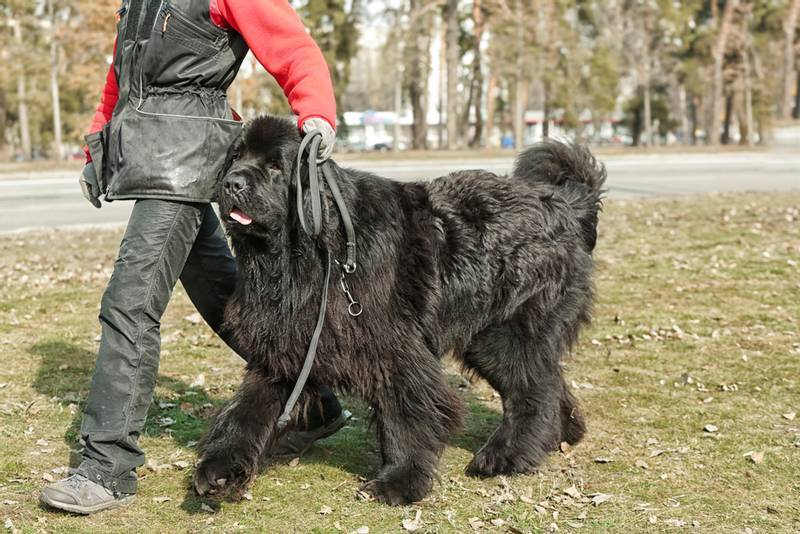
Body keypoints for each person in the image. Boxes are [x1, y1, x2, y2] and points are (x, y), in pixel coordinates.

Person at [40, 0, 349, 515]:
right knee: (222, 293)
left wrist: (315, 111)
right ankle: (313, 401)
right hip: (150, 156)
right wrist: (99, 146)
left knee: (129, 303)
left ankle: (107, 467)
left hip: (187, 159)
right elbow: (123, 78)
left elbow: (292, 45)